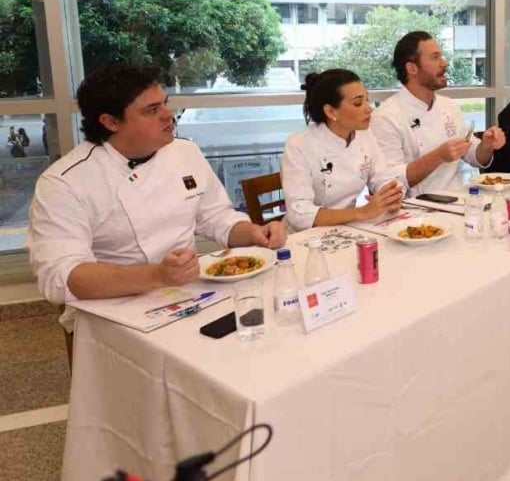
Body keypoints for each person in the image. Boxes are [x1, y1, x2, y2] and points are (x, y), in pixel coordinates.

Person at [27, 64, 287, 306]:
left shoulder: (185, 151)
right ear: (110, 121)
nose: (168, 116)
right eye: (151, 110)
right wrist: (158, 275)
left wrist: (254, 233)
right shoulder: (64, 183)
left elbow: (216, 217)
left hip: (190, 292)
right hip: (111, 307)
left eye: (165, 103)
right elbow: (59, 277)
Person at [371, 31, 506, 196]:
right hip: (416, 210)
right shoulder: (387, 116)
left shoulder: (447, 105)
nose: (444, 63)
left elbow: (474, 157)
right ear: (412, 68)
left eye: (441, 56)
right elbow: (390, 181)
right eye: (435, 57)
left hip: (458, 199)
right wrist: (439, 156)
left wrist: (486, 145)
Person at [281, 69, 406, 230]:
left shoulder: (364, 135)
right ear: (331, 111)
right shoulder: (299, 145)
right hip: (306, 235)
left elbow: (382, 177)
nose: (369, 109)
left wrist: (390, 196)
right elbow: (299, 213)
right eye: (358, 103)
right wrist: (363, 212)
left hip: (348, 227)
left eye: (367, 100)